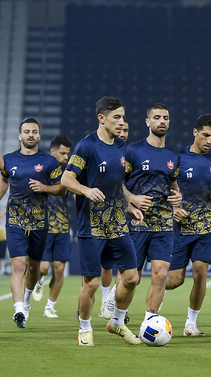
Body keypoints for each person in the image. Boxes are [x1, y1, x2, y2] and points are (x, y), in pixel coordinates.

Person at [61, 96, 144, 346]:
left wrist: (128, 206)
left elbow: (117, 184)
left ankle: (117, 323)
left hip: (118, 223)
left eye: (123, 117)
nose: (122, 122)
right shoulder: (86, 146)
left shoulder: (121, 147)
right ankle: (85, 328)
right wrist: (85, 190)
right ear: (101, 118)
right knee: (92, 283)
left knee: (131, 278)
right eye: (116, 117)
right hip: (92, 226)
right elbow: (66, 179)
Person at [101, 103, 181, 322]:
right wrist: (133, 198)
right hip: (137, 222)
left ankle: (150, 321)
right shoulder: (133, 151)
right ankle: (117, 314)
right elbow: (116, 182)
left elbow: (173, 186)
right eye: (156, 117)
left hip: (163, 223)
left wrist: (178, 197)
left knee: (161, 274)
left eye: (165, 117)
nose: (161, 121)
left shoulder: (173, 156)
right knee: (131, 278)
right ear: (148, 122)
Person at [165, 114, 211, 336]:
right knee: (174, 280)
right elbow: (165, 188)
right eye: (205, 135)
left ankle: (191, 324)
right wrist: (174, 208)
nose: (209, 140)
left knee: (201, 272)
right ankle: (146, 296)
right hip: (180, 227)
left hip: (206, 226)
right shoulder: (177, 158)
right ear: (195, 133)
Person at [0, 118, 65, 329]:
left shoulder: (49, 162)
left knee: (34, 268)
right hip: (15, 220)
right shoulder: (7, 160)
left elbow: (61, 188)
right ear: (20, 136)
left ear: (39, 136)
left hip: (39, 222)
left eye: (34, 132)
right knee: (18, 265)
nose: (30, 135)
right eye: (26, 131)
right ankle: (19, 309)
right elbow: (3, 182)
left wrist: (44, 188)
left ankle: (26, 301)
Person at [32, 136, 73, 318]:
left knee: (59, 268)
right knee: (43, 267)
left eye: (68, 154)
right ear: (53, 152)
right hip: (44, 226)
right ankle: (39, 280)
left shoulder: (69, 173)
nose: (66, 157)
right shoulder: (42, 170)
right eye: (63, 153)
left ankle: (50, 305)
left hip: (63, 226)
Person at [99, 118, 128, 315]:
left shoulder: (129, 154)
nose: (123, 132)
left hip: (126, 218)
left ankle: (112, 305)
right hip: (102, 217)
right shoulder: (100, 150)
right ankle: (103, 300)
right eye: (121, 129)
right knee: (102, 265)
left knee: (126, 267)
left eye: (127, 130)